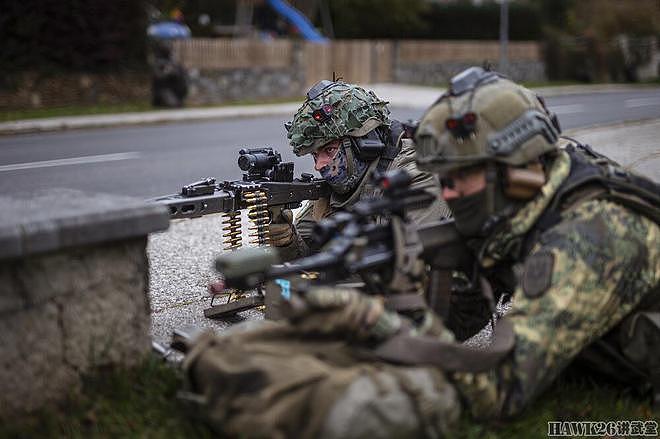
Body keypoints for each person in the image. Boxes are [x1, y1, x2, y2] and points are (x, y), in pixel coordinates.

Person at [180, 68, 660, 438]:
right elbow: (462, 316)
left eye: (459, 178)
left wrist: (374, 320)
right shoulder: (516, 205)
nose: (448, 195)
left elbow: (498, 395)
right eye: (444, 178)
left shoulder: (586, 235)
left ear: (513, 166)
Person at [269, 79, 451, 261]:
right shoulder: (344, 185)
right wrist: (287, 241)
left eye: (329, 150)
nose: (319, 165)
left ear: (364, 144)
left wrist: (339, 243)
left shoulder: (415, 176)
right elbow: (305, 256)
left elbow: (407, 269)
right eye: (315, 155)